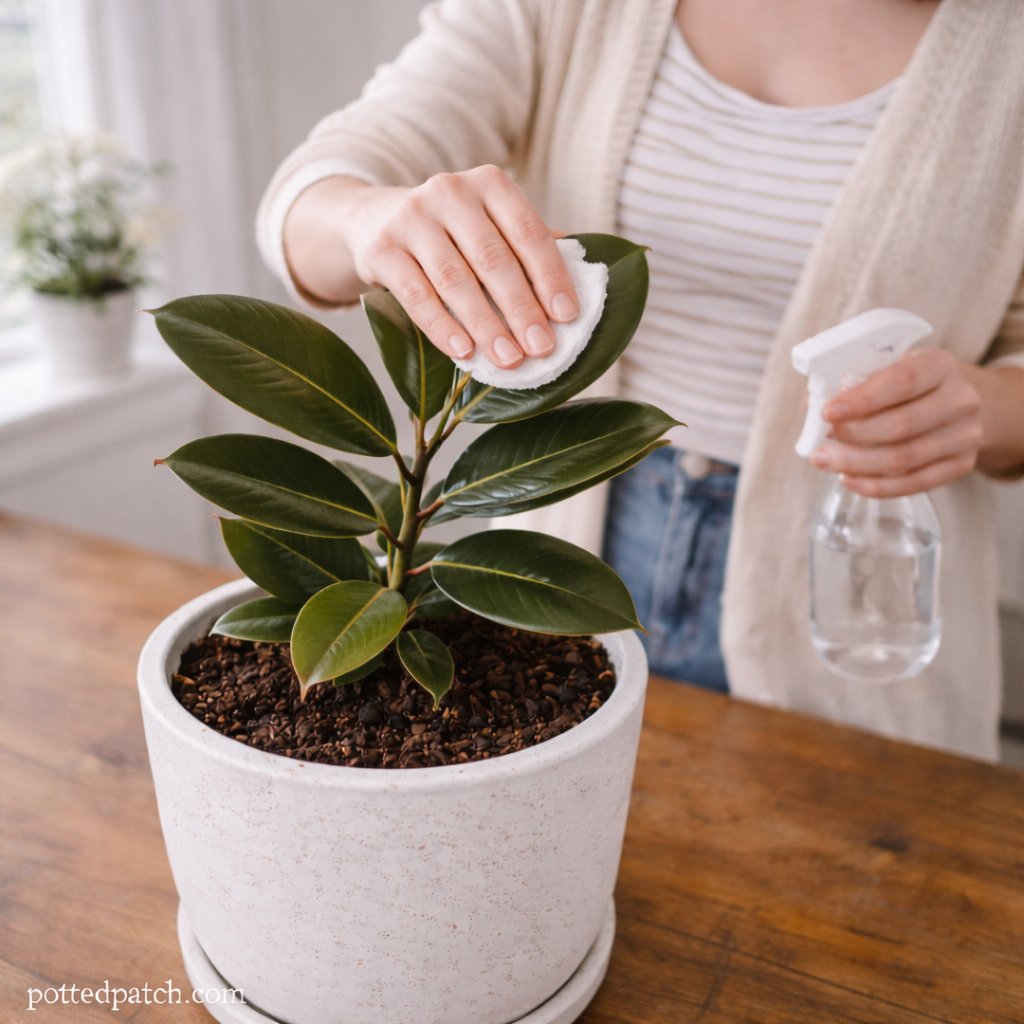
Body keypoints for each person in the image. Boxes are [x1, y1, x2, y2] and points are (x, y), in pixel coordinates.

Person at [258, 0, 1024, 759]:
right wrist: (367, 221)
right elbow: (314, 196)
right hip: (567, 537)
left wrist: (982, 409)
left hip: (859, 583)